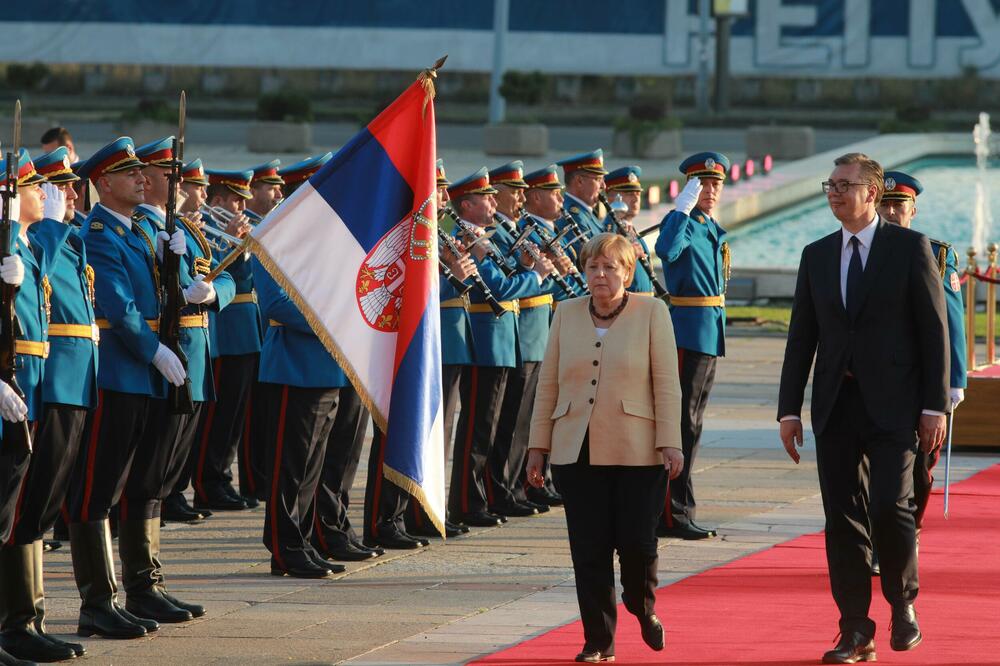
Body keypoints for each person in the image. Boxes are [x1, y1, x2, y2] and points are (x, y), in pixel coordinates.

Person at [777, 153, 948, 663]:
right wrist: (789, 409)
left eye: (844, 185)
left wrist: (935, 406)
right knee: (842, 518)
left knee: (889, 507)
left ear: (872, 193)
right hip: (835, 406)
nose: (834, 192)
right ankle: (855, 629)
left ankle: (902, 603)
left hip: (896, 406)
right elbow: (801, 336)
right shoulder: (817, 254)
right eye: (830, 184)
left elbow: (934, 333)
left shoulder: (910, 248)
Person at [527, 233, 683, 663]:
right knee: (589, 550)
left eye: (609, 267)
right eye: (593, 267)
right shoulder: (566, 313)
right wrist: (538, 445)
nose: (599, 275)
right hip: (575, 450)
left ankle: (641, 604)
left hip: (638, 450)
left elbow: (668, 384)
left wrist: (671, 441)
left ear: (627, 272)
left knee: (637, 544)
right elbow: (549, 384)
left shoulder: (653, 312)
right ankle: (599, 640)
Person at [0, 149, 75, 663]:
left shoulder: (23, 247)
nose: (44, 195)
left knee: (10, 515)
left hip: (31, 386)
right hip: (11, 387)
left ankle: (20, 622)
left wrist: (41, 227)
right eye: (33, 189)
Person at [877, 171, 967, 538]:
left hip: (920, 381)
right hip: (877, 378)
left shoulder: (936, 255)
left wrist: (954, 383)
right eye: (884, 205)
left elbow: (952, 324)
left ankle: (907, 531)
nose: (890, 213)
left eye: (899, 205)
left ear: (913, 210)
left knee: (918, 467)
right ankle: (877, 540)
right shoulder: (860, 252)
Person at [653, 152, 732, 540]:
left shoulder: (710, 226)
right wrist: (680, 210)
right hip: (687, 331)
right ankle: (671, 511)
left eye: (716, 184)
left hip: (706, 332)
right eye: (703, 184)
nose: (711, 190)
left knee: (693, 425)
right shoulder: (681, 222)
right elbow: (666, 252)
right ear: (689, 187)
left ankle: (677, 508)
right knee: (681, 425)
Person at [556, 150, 608, 255]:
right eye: (598, 179)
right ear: (579, 181)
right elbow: (590, 260)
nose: (603, 186)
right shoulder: (574, 216)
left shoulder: (585, 212)